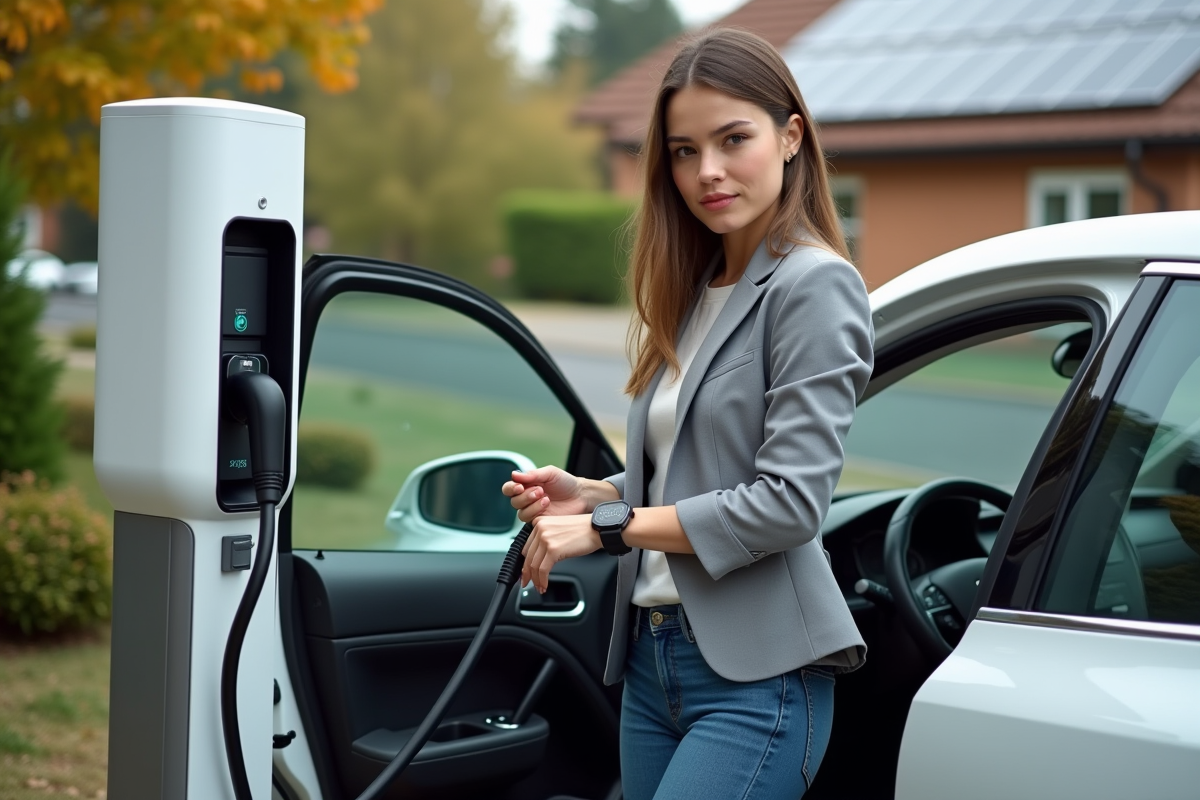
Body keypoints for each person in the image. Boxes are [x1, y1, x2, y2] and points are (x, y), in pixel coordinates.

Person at [501, 27, 873, 800]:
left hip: (760, 678)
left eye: (733, 139)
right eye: (683, 151)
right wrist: (595, 494)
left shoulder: (814, 286)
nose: (707, 171)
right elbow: (694, 467)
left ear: (790, 136)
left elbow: (789, 503)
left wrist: (612, 526)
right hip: (652, 661)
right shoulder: (693, 291)